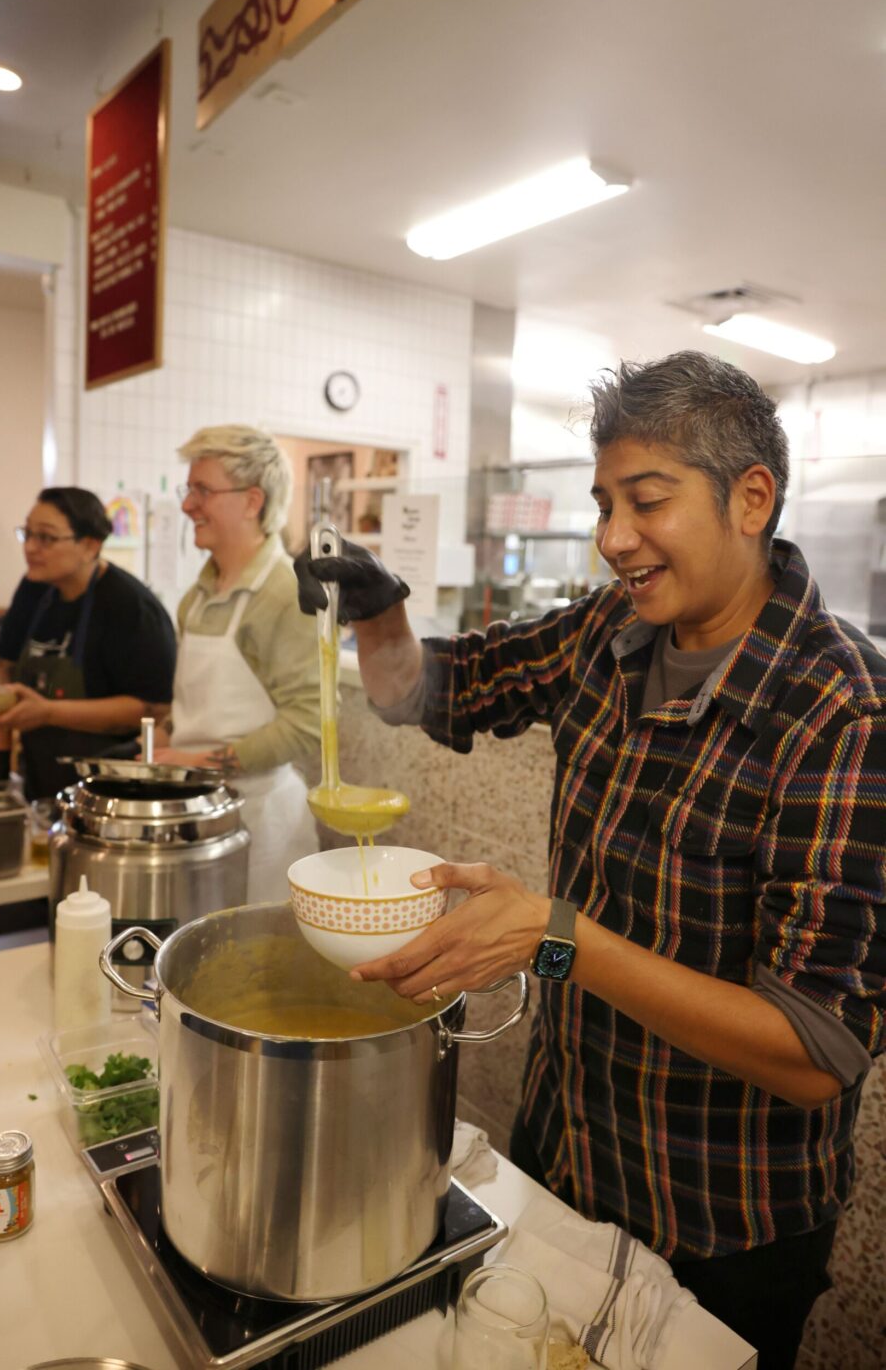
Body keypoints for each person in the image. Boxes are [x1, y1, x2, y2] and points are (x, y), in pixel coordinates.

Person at [295, 351, 886, 1370]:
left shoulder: (842, 711)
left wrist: (551, 934)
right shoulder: (610, 631)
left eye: (644, 501)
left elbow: (814, 1052)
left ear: (751, 497)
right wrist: (379, 607)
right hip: (566, 1144)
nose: (613, 538)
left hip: (720, 1214)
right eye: (603, 502)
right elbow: (430, 691)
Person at [153, 424, 320, 902]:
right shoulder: (198, 597)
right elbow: (193, 704)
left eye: (201, 490)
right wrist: (160, 742)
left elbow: (308, 723)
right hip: (197, 809)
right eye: (190, 489)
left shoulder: (284, 593)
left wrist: (196, 763)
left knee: (254, 968)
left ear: (252, 501)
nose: (187, 505)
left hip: (260, 821)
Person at [0, 486, 177, 802]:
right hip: (40, 778)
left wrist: (48, 712)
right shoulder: (33, 589)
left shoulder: (131, 606)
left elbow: (153, 708)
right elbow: (1, 667)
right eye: (28, 534)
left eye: (46, 537)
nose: (31, 548)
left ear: (90, 545)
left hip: (111, 789)